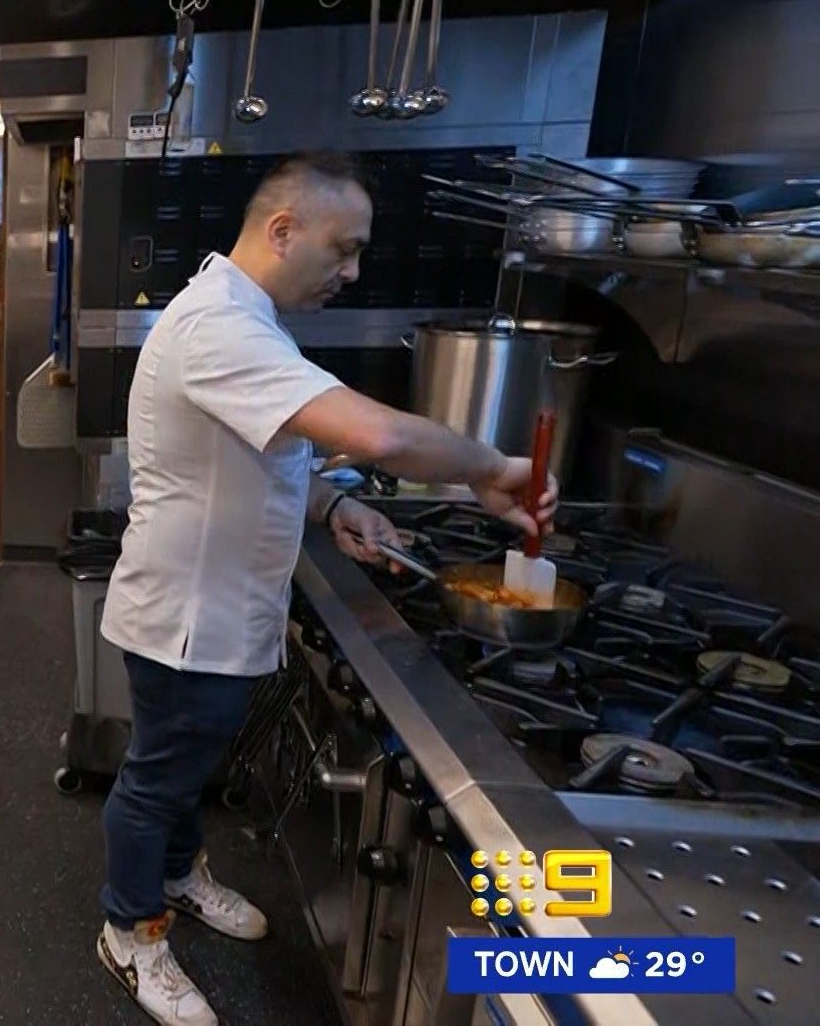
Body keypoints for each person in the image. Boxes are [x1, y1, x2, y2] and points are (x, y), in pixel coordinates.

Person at [94, 152, 557, 1026]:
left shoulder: (249, 322)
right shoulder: (218, 329)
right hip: (185, 622)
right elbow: (378, 435)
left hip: (219, 618)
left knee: (187, 769)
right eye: (344, 249)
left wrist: (335, 506)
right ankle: (131, 931)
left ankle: (177, 875)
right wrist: (490, 467)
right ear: (283, 230)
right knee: (156, 782)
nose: (352, 271)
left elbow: (263, 457)